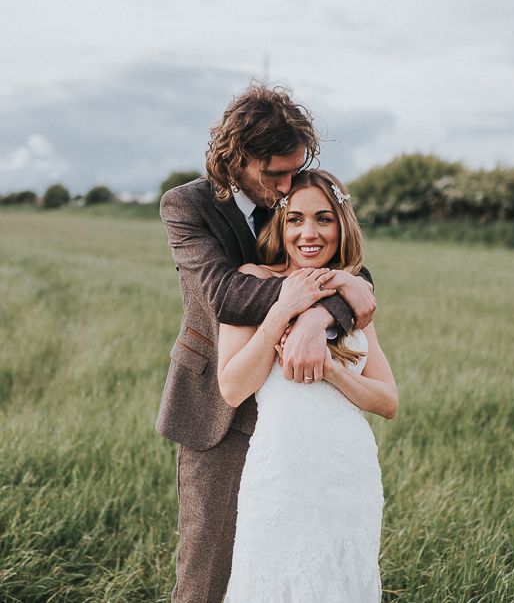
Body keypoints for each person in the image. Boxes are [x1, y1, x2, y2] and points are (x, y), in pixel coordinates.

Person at [158, 83, 377, 602]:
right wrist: (319, 299)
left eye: (293, 170)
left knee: (286, 563)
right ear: (236, 157)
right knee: (209, 567)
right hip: (221, 401)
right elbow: (226, 295)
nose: (285, 186)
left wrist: (320, 311)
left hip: (295, 413)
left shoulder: (293, 186)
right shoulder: (186, 205)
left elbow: (348, 265)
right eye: (274, 173)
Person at [218, 170, 398, 602]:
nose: (309, 233)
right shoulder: (251, 280)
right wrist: (284, 312)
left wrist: (333, 371)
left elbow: (388, 401)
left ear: (342, 223)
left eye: (323, 218)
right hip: (280, 475)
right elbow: (232, 388)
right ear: (280, 224)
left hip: (346, 473)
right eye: (295, 219)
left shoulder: (354, 297)